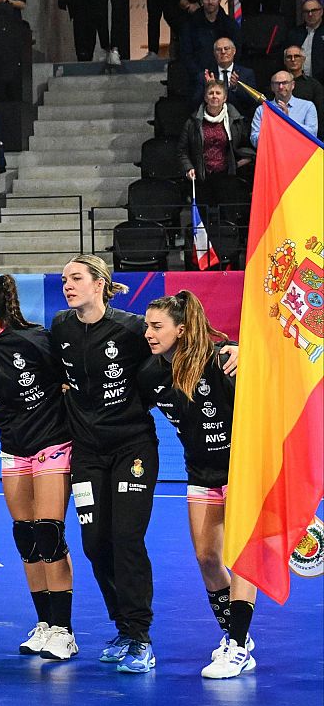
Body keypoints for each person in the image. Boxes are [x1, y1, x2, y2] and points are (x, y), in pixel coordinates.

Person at [0, 275, 78, 661]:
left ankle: (64, 631)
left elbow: (73, 378)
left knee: (49, 533)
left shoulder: (35, 341)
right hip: (13, 449)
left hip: (52, 444)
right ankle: (45, 623)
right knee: (26, 538)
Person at [139, 290, 256, 679]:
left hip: (242, 470)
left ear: (182, 329)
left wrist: (247, 352)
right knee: (208, 559)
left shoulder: (222, 361)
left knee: (240, 558)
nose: (149, 334)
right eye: (146, 327)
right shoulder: (153, 374)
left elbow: (266, 394)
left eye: (157, 327)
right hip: (200, 473)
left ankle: (238, 646)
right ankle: (234, 636)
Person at [52, 257, 161, 672]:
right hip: (87, 454)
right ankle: (122, 625)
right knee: (94, 543)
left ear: (100, 284)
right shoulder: (62, 326)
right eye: (64, 280)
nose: (68, 286)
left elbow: (182, 346)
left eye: (76, 278)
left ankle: (140, 635)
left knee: (127, 538)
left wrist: (233, 349)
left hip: (132, 449)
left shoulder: (132, 329)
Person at [178, 80, 254, 193]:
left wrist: (239, 162)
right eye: (211, 93)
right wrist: (189, 168)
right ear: (205, 97)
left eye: (218, 93)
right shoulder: (193, 122)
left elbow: (247, 144)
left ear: (225, 98)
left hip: (228, 176)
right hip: (201, 177)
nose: (214, 96)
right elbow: (182, 150)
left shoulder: (237, 121)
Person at [178, 0, 239, 101]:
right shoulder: (190, 25)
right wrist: (200, 75)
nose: (210, 2)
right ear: (201, 0)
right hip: (198, 79)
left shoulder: (230, 25)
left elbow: (238, 51)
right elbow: (186, 54)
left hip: (227, 78)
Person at [251, 71, 318, 142]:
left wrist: (288, 121)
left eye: (285, 83)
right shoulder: (261, 110)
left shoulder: (307, 106)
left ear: (293, 85)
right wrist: (274, 131)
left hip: (299, 151)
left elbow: (313, 134)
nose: (281, 87)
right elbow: (254, 140)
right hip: (273, 151)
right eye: (277, 83)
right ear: (272, 87)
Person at [281, 45, 324, 109]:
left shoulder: (314, 86)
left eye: (296, 56)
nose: (293, 59)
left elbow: (320, 112)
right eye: (289, 57)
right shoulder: (277, 83)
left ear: (303, 59)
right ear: (284, 61)